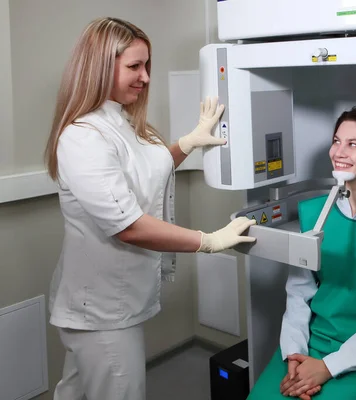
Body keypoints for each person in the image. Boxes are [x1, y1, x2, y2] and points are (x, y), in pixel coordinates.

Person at [44, 17, 255, 400]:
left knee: (74, 393)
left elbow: (140, 177)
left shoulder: (120, 122)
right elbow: (127, 225)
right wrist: (207, 241)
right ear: (99, 66)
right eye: (134, 67)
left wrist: (188, 142)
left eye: (147, 66)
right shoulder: (83, 137)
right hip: (103, 312)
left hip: (107, 304)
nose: (145, 77)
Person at [247, 106, 356, 400]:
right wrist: (294, 352)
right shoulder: (314, 215)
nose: (339, 151)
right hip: (312, 345)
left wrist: (328, 368)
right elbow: (298, 293)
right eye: (336, 141)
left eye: (353, 144)